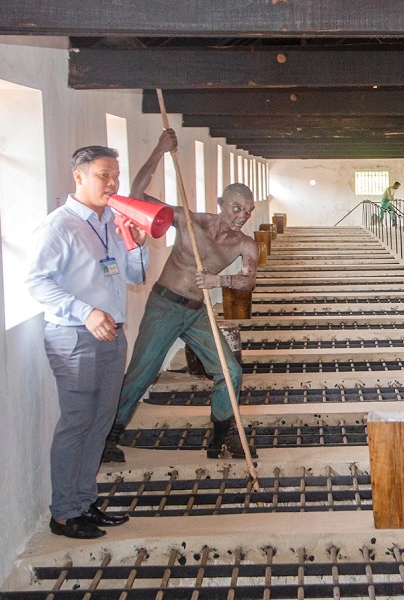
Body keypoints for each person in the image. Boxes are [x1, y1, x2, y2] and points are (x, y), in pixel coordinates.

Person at [103, 129, 260, 463]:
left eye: (247, 211)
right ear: (220, 204)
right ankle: (108, 438)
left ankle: (220, 438)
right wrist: (159, 150)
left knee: (229, 371)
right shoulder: (189, 221)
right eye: (235, 208)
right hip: (165, 305)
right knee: (142, 373)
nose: (241, 217)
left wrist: (220, 279)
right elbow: (137, 194)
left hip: (197, 311)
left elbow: (248, 282)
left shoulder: (244, 243)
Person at [26, 145, 148, 539]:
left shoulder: (113, 220)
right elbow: (36, 281)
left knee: (100, 420)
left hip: (112, 333)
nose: (112, 184)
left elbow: (133, 277)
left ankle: (84, 500)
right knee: (77, 421)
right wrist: (85, 312)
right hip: (74, 336)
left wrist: (137, 245)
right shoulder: (59, 225)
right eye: (103, 176)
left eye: (115, 176)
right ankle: (63, 513)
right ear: (78, 177)